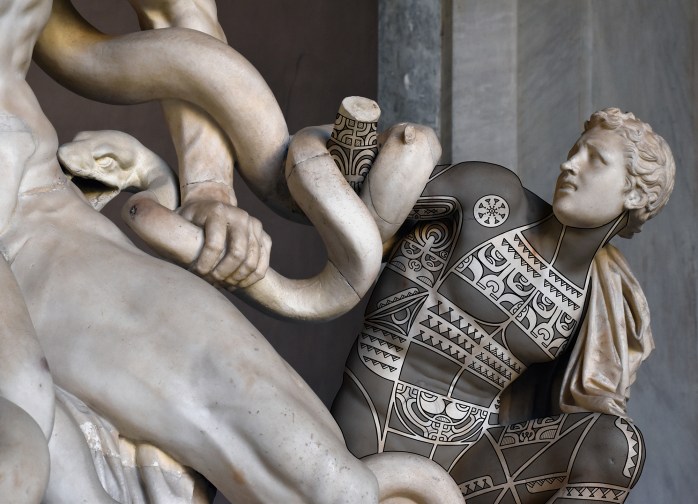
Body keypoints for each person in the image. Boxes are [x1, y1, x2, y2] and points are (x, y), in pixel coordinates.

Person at [0, 1, 440, 502]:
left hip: (34, 218)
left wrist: (208, 188)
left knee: (328, 483)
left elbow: (174, 16)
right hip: (22, 225)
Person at [332, 108, 675, 503]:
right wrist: (360, 132)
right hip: (371, 419)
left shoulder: (598, 294)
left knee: (618, 446)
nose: (569, 165)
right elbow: (359, 201)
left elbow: (588, 402)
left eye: (595, 159)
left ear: (634, 194)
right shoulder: (492, 197)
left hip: (470, 464)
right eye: (574, 152)